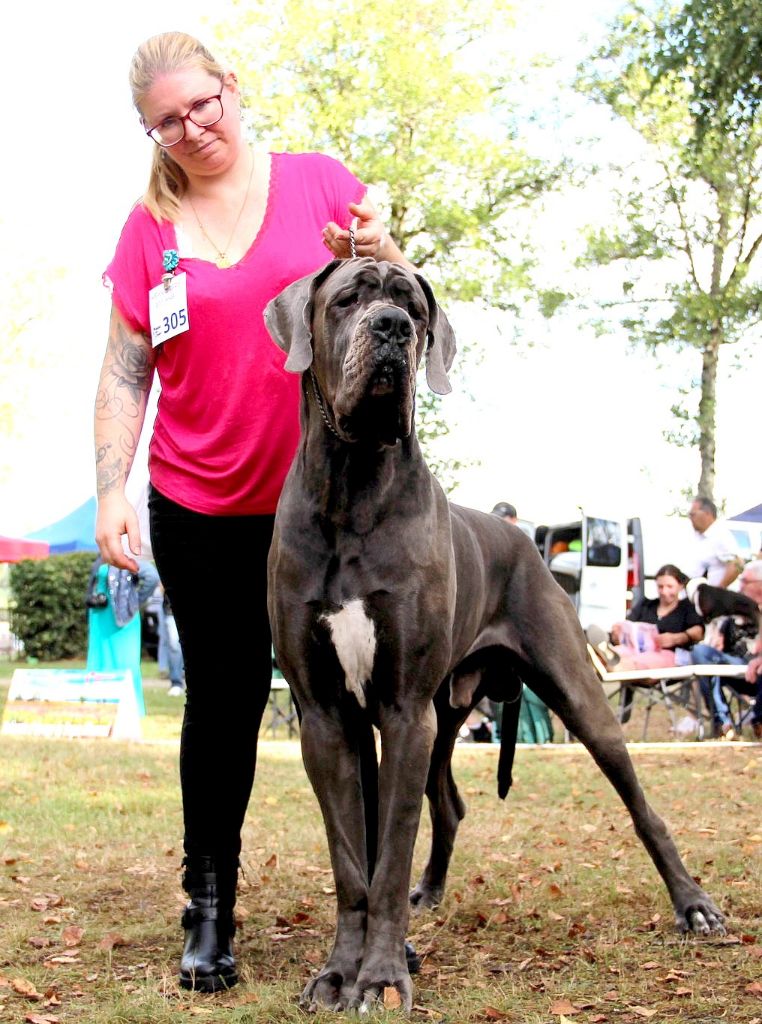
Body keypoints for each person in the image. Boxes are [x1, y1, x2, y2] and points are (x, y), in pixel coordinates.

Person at [93, 31, 411, 993]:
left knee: (365, 709)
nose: (193, 129)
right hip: (202, 503)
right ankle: (209, 909)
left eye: (204, 104)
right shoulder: (148, 228)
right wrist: (112, 484)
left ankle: (376, 920)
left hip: (327, 508)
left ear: (232, 87)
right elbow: (124, 366)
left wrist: (379, 242)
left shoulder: (318, 183)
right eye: (167, 122)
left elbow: (388, 292)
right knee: (224, 705)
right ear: (148, 131)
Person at [691, 559, 762, 740]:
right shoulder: (733, 608)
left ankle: (758, 720)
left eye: (745, 581)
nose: (741, 585)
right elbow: (717, 646)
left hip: (758, 669)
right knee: (701, 652)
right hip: (735, 667)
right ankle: (722, 723)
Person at [85, 556, 159, 714]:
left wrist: (135, 602)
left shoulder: (127, 558)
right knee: (100, 659)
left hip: (123, 618)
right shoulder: (100, 559)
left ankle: (129, 708)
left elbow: (152, 577)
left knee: (125, 661)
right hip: (99, 617)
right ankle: (98, 704)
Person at [686, 496, 742, 588]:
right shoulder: (697, 535)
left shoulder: (720, 535)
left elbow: (737, 565)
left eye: (693, 514)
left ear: (707, 513)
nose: (690, 518)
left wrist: (719, 590)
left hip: (712, 598)